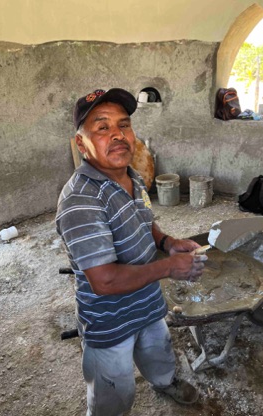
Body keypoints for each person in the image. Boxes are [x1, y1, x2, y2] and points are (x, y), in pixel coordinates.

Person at [56, 88, 207, 416]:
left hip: (148, 303)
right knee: (114, 393)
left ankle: (164, 382)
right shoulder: (80, 201)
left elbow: (144, 220)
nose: (117, 135)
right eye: (102, 127)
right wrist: (168, 267)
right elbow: (105, 282)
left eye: (123, 125)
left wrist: (167, 243)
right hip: (110, 323)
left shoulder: (133, 178)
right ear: (81, 144)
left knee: (159, 354)